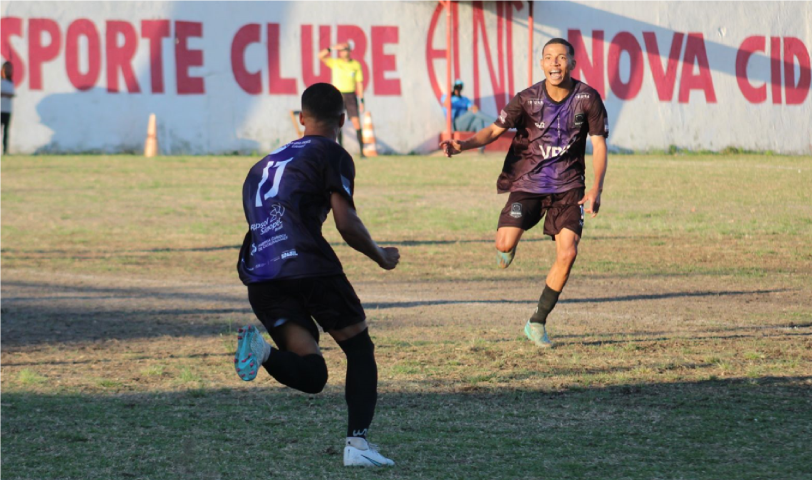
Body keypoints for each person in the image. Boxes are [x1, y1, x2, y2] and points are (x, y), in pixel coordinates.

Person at [235, 83, 399, 467]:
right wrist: (380, 255)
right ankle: (357, 447)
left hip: (261, 272)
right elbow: (346, 222)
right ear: (342, 120)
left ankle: (261, 352)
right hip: (307, 265)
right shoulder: (332, 152)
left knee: (313, 375)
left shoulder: (262, 164)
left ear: (301, 119)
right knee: (359, 349)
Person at [439, 38, 609, 348]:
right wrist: (463, 145)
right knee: (503, 244)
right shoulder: (527, 99)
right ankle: (508, 245)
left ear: (572, 64)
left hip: (570, 186)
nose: (555, 63)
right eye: (548, 58)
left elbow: (599, 143)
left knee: (568, 253)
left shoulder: (588, 98)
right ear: (542, 65)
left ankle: (537, 322)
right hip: (529, 182)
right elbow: (493, 130)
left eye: (561, 58)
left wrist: (596, 187)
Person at [318, 42, 366, 157]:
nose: (343, 52)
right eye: (341, 50)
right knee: (337, 122)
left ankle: (362, 152)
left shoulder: (355, 64)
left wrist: (362, 100)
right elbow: (320, 56)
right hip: (337, 94)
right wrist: (332, 47)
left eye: (345, 49)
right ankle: (340, 150)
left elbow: (359, 83)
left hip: (350, 95)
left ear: (349, 51)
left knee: (356, 122)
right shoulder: (336, 62)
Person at [1, 61, 15, 154]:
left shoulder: (11, 82)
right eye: (6, 68)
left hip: (8, 110)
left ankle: (5, 150)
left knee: (6, 132)